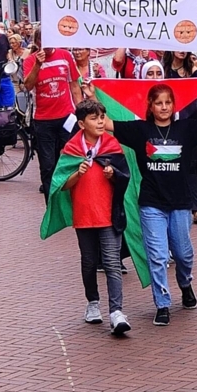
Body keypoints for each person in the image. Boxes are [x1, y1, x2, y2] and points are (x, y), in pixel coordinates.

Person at [105, 76, 197, 326]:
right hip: (151, 204)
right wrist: (90, 94)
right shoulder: (140, 130)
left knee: (183, 254)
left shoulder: (186, 128)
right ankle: (162, 304)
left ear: (174, 105)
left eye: (168, 103)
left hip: (180, 203)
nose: (164, 107)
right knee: (157, 256)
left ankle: (185, 283)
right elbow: (107, 123)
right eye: (158, 103)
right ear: (150, 106)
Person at [53, 99, 131, 334]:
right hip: (84, 215)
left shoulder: (111, 145)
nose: (100, 122)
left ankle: (116, 312)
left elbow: (124, 176)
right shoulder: (72, 148)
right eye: (94, 118)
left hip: (109, 215)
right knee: (89, 262)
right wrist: (77, 174)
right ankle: (93, 303)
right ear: (81, 123)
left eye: (102, 117)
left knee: (112, 262)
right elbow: (61, 184)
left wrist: (112, 173)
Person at [25, 29, 81, 202]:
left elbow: (74, 86)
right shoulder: (30, 60)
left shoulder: (65, 56)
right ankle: (51, 204)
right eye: (43, 40)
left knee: (71, 160)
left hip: (67, 118)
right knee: (47, 165)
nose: (47, 44)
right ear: (37, 42)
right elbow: (28, 85)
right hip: (43, 120)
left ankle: (72, 200)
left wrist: (81, 113)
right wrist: (37, 65)